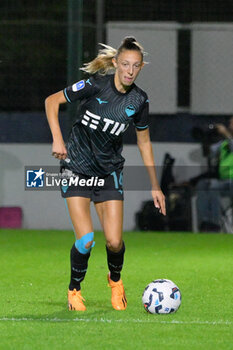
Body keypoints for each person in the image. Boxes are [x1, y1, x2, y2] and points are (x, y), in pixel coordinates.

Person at [45, 37, 166, 311]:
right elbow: (51, 101)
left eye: (135, 66)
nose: (130, 71)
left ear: (141, 67)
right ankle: (74, 290)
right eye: (125, 64)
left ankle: (115, 281)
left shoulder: (139, 100)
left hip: (109, 171)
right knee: (86, 239)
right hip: (76, 167)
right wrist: (57, 139)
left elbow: (144, 142)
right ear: (115, 63)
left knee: (114, 242)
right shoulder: (94, 85)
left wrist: (155, 185)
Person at [196, 117, 233, 232]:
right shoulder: (223, 143)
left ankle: (215, 223)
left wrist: (225, 133)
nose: (229, 124)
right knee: (203, 185)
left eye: (232, 122)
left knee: (214, 187)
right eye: (230, 122)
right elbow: (208, 153)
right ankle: (207, 223)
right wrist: (205, 139)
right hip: (224, 182)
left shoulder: (228, 140)